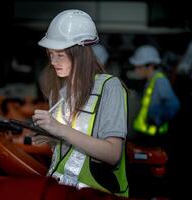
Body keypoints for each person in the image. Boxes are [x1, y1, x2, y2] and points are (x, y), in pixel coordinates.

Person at [32, 9, 129, 197]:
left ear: (80, 53)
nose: (53, 61)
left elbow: (112, 154)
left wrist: (60, 129)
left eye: (59, 55)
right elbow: (70, 145)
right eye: (50, 54)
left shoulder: (110, 88)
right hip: (60, 189)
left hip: (96, 193)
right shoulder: (60, 91)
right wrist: (51, 136)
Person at [129, 45, 180, 147]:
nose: (136, 70)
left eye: (139, 66)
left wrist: (156, 118)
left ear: (150, 66)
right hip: (146, 134)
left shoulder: (160, 81)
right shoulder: (151, 80)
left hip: (154, 137)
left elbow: (174, 105)